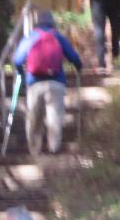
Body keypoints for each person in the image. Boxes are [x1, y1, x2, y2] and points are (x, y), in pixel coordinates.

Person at [12, 9, 83, 156]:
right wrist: (78, 67)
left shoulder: (30, 37)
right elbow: (74, 57)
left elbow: (17, 59)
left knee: (34, 118)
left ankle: (34, 150)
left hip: (35, 83)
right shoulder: (57, 36)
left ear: (36, 23)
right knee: (55, 116)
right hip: (56, 82)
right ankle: (54, 148)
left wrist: (21, 72)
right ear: (52, 23)